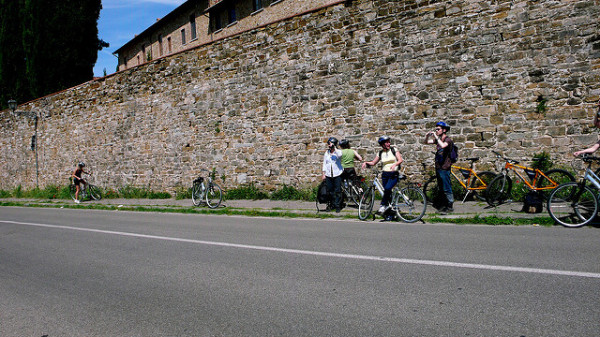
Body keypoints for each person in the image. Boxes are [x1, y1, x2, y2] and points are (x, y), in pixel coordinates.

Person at [361, 136, 403, 216]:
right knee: (387, 193)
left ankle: (382, 205)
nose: (388, 144)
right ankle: (390, 213)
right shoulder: (380, 153)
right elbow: (373, 163)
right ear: (382, 144)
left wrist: (395, 164)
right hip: (385, 174)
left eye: (389, 142)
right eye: (386, 142)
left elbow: (400, 160)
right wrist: (366, 162)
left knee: (387, 189)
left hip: (393, 174)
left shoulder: (394, 150)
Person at [424, 121, 455, 214]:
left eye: (438, 129)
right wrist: (427, 136)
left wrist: (436, 137)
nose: (436, 131)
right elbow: (426, 142)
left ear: (444, 130)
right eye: (436, 129)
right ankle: (443, 205)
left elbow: (443, 145)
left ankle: (450, 206)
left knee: (446, 187)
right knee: (441, 187)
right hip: (438, 166)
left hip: (445, 167)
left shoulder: (447, 140)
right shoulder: (439, 139)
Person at [322, 137, 343, 213]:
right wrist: (323, 174)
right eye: (328, 143)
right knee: (330, 191)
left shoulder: (338, 152)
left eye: (330, 143)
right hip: (328, 175)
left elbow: (340, 156)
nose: (328, 145)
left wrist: (335, 148)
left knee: (337, 191)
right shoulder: (326, 153)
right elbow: (325, 163)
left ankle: (337, 206)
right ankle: (331, 205)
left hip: (337, 174)